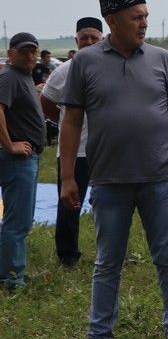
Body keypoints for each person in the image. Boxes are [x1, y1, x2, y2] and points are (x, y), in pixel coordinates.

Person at [60, 0, 168, 339]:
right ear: (112, 20)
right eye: (135, 17)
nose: (144, 23)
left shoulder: (161, 60)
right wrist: (67, 177)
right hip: (107, 181)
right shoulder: (85, 62)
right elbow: (71, 121)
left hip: (158, 178)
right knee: (107, 262)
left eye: (144, 15)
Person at [40, 17, 104, 267]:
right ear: (76, 41)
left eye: (93, 38)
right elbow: (46, 102)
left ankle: (108, 251)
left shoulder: (109, 66)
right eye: (83, 38)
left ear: (102, 39)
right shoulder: (64, 71)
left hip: (105, 150)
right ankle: (67, 255)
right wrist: (67, 123)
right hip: (74, 151)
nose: (88, 42)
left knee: (109, 202)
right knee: (70, 203)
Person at [0, 32, 45, 290]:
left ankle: (12, 271)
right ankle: (10, 279)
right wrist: (9, 144)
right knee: (17, 222)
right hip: (16, 159)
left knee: (21, 220)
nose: (30, 55)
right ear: (10, 53)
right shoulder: (8, 77)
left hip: (29, 157)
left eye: (33, 50)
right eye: (24, 51)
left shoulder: (23, 77)